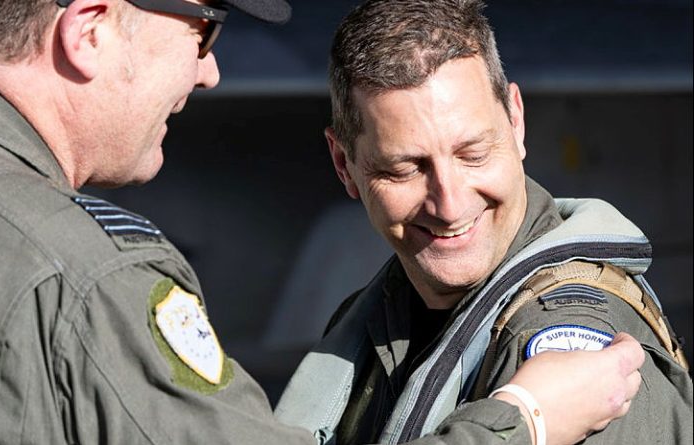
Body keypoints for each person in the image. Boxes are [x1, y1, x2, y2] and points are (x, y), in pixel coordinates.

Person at [0, 0, 646, 444]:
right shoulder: (82, 282)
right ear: (88, 28)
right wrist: (526, 417)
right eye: (205, 30)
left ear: (514, 120)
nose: (209, 70)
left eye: (470, 151)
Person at [275, 1, 693, 445]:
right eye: (405, 169)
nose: (450, 206)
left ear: (516, 122)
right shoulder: (381, 319)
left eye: (473, 154)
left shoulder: (571, 354)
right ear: (344, 164)